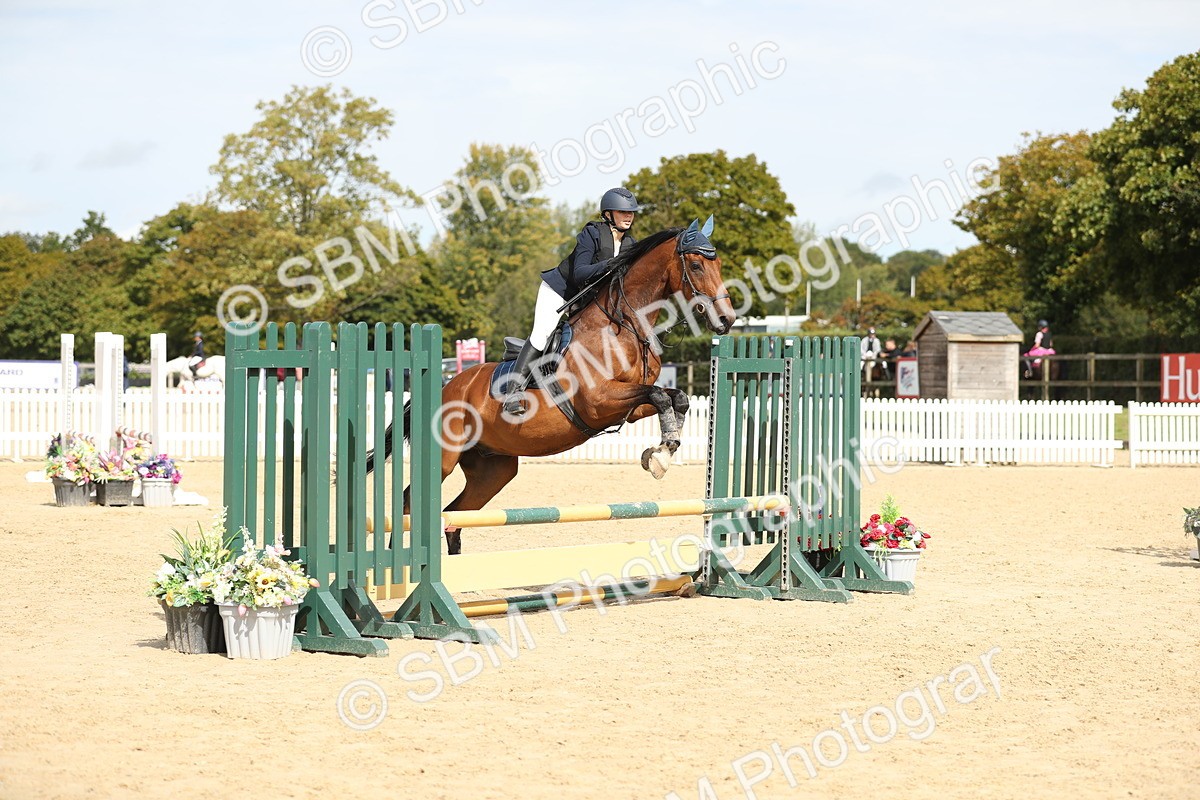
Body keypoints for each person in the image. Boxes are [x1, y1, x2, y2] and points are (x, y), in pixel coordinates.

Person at [502, 187, 644, 415]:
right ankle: (513, 393)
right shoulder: (592, 234)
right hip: (559, 290)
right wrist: (611, 265)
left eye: (631, 212)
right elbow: (580, 273)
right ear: (608, 214)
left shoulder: (630, 245)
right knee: (542, 333)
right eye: (622, 211)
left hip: (587, 299)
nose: (628, 216)